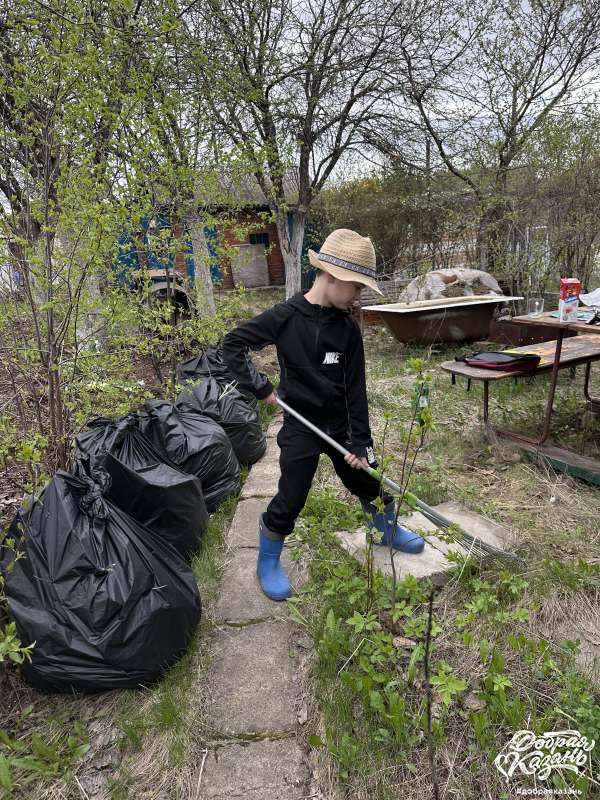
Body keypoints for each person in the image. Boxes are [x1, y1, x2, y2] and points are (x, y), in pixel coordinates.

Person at [221, 228, 424, 602]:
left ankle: (386, 530)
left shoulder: (347, 329)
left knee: (369, 482)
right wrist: (261, 387)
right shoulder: (285, 317)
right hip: (301, 424)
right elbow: (232, 345)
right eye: (357, 288)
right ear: (332, 277)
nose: (358, 296)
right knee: (292, 495)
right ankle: (268, 559)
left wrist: (360, 442)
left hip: (342, 426)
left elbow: (356, 390)